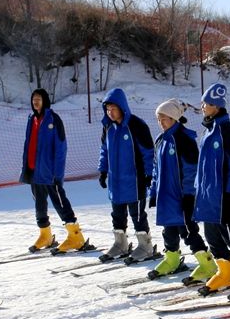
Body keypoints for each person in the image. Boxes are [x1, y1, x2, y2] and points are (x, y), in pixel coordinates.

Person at [191, 83, 230, 292]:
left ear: (217, 106)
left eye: (207, 103)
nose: (203, 106)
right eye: (203, 102)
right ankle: (226, 272)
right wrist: (198, 190)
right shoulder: (208, 131)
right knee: (212, 237)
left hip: (224, 197)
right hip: (208, 198)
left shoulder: (228, 132)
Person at [20, 88, 87, 254]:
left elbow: (61, 148)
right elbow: (29, 144)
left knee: (59, 202)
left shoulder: (54, 119)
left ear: (45, 101)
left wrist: (58, 173)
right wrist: (26, 167)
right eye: (33, 99)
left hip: (50, 172)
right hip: (34, 170)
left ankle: (76, 236)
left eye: (39, 99)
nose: (35, 102)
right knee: (39, 204)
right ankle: (45, 235)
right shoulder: (31, 119)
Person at [146, 99, 207, 278]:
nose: (161, 122)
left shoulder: (184, 139)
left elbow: (191, 170)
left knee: (187, 230)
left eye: (164, 119)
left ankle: (206, 262)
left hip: (181, 196)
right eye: (158, 119)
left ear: (174, 118)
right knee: (169, 230)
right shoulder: (160, 140)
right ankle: (172, 259)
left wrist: (189, 195)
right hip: (166, 196)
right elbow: (156, 169)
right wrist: (153, 191)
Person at [97, 87, 156, 262]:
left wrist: (148, 174)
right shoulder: (108, 126)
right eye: (107, 109)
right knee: (117, 214)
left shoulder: (136, 125)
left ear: (122, 107)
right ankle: (120, 244)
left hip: (134, 181)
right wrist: (103, 171)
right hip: (115, 181)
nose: (110, 112)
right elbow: (104, 150)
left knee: (137, 215)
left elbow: (148, 152)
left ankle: (145, 246)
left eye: (113, 108)